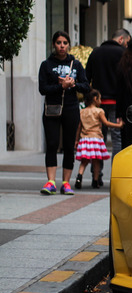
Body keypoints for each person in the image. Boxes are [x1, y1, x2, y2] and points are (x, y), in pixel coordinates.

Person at [38, 31, 90, 195]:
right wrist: (61, 86)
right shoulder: (46, 64)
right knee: (52, 144)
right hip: (52, 109)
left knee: (69, 145)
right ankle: (51, 181)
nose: (62, 46)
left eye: (65, 43)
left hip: (71, 108)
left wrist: (73, 84)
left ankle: (66, 182)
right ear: (54, 44)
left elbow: (86, 87)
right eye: (59, 42)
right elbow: (43, 89)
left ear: (69, 45)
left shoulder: (76, 64)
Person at [85, 29, 130, 157]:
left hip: (98, 102)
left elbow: (86, 78)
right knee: (117, 139)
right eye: (127, 42)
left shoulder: (95, 52)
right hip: (117, 102)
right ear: (121, 39)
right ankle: (115, 171)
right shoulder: (123, 53)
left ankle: (96, 174)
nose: (127, 45)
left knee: (98, 136)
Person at [74, 89, 123, 189]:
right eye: (99, 98)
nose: (101, 101)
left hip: (85, 139)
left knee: (84, 162)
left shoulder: (82, 111)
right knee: (96, 162)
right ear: (95, 99)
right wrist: (118, 126)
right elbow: (106, 123)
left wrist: (76, 140)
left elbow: (79, 127)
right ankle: (95, 181)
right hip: (96, 139)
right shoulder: (99, 111)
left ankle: (79, 176)